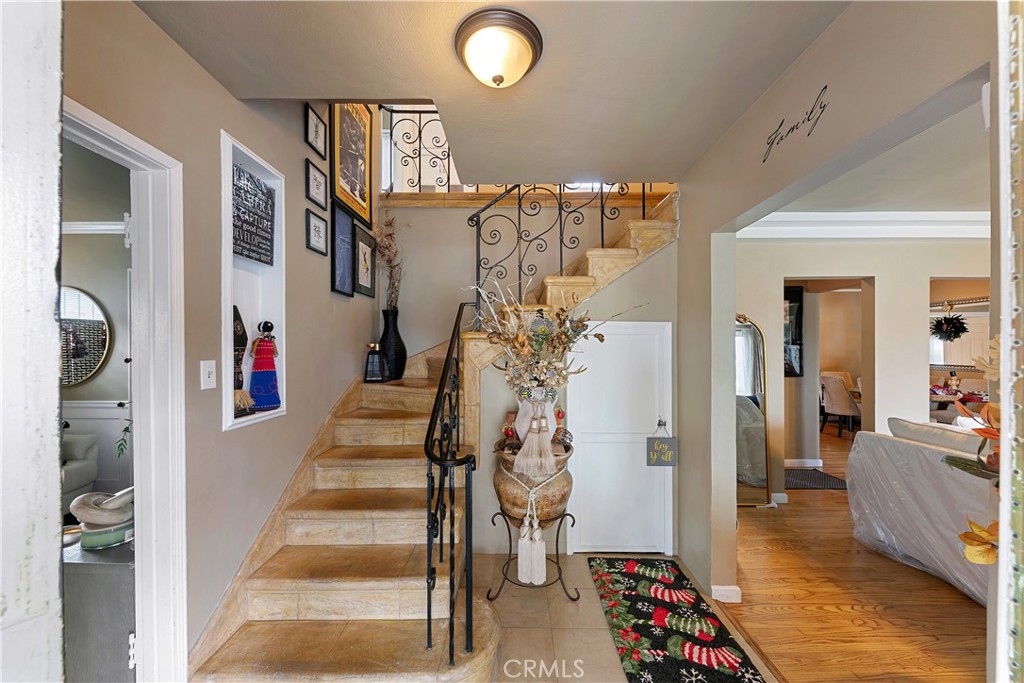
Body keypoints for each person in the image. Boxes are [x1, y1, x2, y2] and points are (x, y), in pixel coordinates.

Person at [249, 320, 280, 412]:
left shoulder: (271, 341)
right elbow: (253, 353)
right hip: (259, 367)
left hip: (270, 367)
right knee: (259, 384)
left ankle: (272, 402)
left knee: (271, 384)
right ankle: (258, 403)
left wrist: (273, 341)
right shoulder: (257, 341)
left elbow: (275, 353)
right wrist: (259, 339)